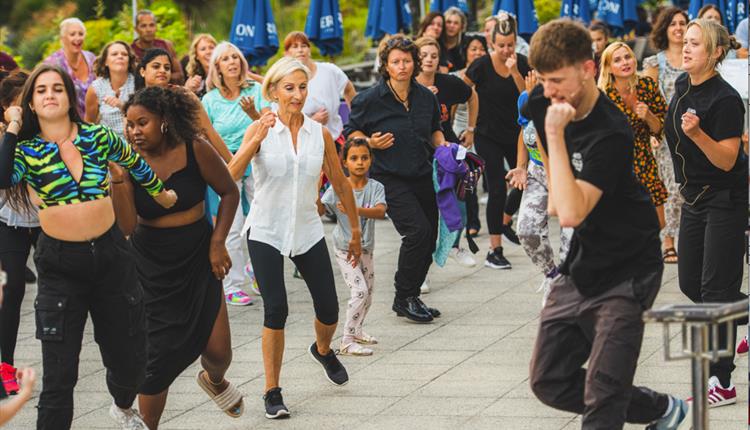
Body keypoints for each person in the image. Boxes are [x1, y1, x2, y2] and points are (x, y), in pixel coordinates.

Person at [526, 19, 692, 430]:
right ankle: (660, 409)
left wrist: (556, 136)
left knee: (603, 396)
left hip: (629, 269)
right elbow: (561, 197)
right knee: (548, 380)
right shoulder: (539, 103)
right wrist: (555, 148)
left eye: (558, 80)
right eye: (544, 80)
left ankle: (624, 405)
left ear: (586, 68)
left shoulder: (612, 130)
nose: (551, 92)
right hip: (581, 264)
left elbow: (570, 212)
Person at [0, 64, 177, 430]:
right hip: (60, 265)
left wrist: (162, 195)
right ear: (31, 103)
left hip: (112, 257)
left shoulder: (98, 136)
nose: (50, 94)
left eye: (57, 89)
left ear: (69, 98)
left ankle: (122, 403)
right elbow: (1, 178)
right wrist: (13, 127)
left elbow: (135, 163)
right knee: (60, 377)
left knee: (131, 360)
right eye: (41, 90)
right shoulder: (27, 151)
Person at [228, 56, 360, 419]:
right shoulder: (261, 128)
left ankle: (322, 349)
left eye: (303, 87)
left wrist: (355, 230)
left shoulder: (320, 134)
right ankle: (272, 391)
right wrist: (253, 136)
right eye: (289, 88)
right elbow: (230, 175)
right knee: (276, 308)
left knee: (330, 309)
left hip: (306, 228)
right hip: (266, 229)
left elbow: (340, 180)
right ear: (273, 90)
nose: (298, 95)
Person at [110, 86, 243, 428]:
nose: (134, 131)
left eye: (143, 123)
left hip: (199, 256)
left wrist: (218, 243)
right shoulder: (128, 160)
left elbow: (229, 191)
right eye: (129, 125)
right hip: (150, 265)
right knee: (157, 357)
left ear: (164, 121)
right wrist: (120, 181)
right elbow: (126, 225)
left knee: (219, 354)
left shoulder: (194, 148)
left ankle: (213, 381)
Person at [664, 18, 747, 407]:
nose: (686, 46)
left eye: (695, 43)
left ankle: (722, 382)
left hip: (726, 198)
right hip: (693, 199)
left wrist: (699, 135)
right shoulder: (682, 86)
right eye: (686, 41)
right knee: (689, 284)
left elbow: (729, 160)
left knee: (715, 294)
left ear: (715, 53)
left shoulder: (726, 100)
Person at [345, 35, 446, 323]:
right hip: (388, 177)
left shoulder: (427, 97)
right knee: (417, 233)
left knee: (430, 237)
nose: (402, 66)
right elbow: (351, 133)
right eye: (395, 62)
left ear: (414, 63)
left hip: (423, 174)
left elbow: (435, 130)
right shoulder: (369, 100)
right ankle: (403, 297)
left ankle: (412, 295)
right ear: (386, 66)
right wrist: (369, 142)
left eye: (406, 61)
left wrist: (445, 147)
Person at [202, 41, 271, 306]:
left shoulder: (255, 90)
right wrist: (232, 160)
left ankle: (259, 273)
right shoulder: (209, 100)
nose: (232, 61)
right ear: (217, 67)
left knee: (261, 220)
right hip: (225, 164)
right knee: (231, 223)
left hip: (257, 159)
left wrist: (252, 112)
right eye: (225, 59)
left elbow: (267, 122)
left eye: (235, 57)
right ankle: (232, 284)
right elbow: (205, 134)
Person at [463, 12, 530, 270]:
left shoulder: (522, 63)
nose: (505, 50)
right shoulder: (480, 65)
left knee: (527, 181)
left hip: (516, 135)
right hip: (487, 134)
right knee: (497, 188)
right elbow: (463, 89)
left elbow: (529, 95)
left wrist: (514, 72)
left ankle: (505, 219)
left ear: (516, 43)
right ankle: (495, 248)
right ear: (492, 43)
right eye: (501, 45)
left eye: (510, 45)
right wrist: (466, 126)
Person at [506, 73, 571, 306]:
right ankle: (552, 276)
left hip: (569, 175)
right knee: (526, 230)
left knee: (571, 244)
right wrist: (521, 166)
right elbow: (525, 133)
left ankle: (567, 292)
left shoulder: (568, 99)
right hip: (538, 172)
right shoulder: (525, 97)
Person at [318, 137, 387, 356]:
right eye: (354, 158)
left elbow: (380, 211)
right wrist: (316, 184)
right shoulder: (338, 187)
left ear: (371, 160)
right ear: (345, 162)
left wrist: (353, 209)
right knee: (359, 291)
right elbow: (320, 208)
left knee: (369, 292)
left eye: (364, 158)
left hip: (366, 247)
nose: (359, 162)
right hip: (344, 248)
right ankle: (346, 341)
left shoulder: (375, 187)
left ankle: (357, 330)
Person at [416, 36, 478, 268]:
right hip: (420, 152)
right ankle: (423, 268)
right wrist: (422, 99)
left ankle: (454, 245)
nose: (429, 60)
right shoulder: (409, 85)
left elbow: (472, 95)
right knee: (426, 212)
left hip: (446, 148)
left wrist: (471, 129)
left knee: (459, 199)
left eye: (434, 55)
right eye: (424, 55)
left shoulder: (448, 82)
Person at [598, 42, 669, 226]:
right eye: (618, 60)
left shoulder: (646, 86)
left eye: (628, 57)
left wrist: (649, 116)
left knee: (657, 223)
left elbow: (662, 127)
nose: (625, 62)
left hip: (644, 160)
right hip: (616, 165)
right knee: (623, 225)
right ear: (609, 68)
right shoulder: (602, 96)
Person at [0, 71, 40, 396]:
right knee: (12, 289)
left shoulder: (45, 131)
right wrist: (11, 128)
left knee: (62, 287)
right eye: (19, 107)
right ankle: (5, 366)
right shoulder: (5, 136)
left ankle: (58, 358)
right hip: (10, 223)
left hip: (47, 223)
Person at [642, 7, 688, 264]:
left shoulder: (696, 58)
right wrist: (651, 131)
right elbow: (647, 100)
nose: (679, 28)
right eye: (673, 24)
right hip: (665, 134)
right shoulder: (654, 63)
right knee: (670, 187)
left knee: (686, 187)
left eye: (683, 23)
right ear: (665, 29)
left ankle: (684, 239)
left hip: (693, 132)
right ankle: (668, 241)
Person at [138, 48, 233, 163]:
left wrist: (232, 163)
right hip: (151, 167)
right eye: (156, 66)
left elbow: (208, 131)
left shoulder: (183, 95)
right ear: (143, 71)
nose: (162, 70)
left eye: (167, 68)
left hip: (186, 162)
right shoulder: (136, 103)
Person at [283, 32, 357, 142]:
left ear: (309, 50)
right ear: (287, 54)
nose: (300, 50)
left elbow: (349, 90)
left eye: (304, 45)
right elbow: (283, 122)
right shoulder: (284, 81)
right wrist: (312, 122)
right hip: (303, 144)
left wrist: (356, 120)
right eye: (295, 46)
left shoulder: (330, 70)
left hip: (334, 140)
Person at [451, 33, 487, 239]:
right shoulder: (458, 77)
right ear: (465, 52)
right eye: (473, 49)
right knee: (466, 175)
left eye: (481, 49)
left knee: (475, 176)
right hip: (461, 131)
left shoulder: (489, 74)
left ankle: (473, 220)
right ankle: (470, 221)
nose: (478, 53)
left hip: (482, 131)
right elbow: (453, 108)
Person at [43, 18, 96, 118]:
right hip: (67, 122)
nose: (78, 38)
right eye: (72, 34)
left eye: (81, 34)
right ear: (63, 38)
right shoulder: (53, 63)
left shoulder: (91, 58)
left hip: (95, 122)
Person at [85, 41, 137, 139]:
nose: (120, 56)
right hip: (107, 146)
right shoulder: (95, 88)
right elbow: (88, 124)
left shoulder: (138, 83)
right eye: (114, 54)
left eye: (124, 54)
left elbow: (145, 116)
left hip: (135, 145)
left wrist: (122, 106)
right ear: (105, 62)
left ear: (129, 61)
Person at [131, 10, 185, 84]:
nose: (148, 30)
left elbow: (179, 75)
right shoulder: (131, 50)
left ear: (156, 27)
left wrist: (158, 77)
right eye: (143, 26)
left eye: (151, 25)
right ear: (136, 29)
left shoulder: (166, 45)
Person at [184, 34, 217, 98]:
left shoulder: (225, 76)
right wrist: (188, 90)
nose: (208, 52)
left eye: (211, 48)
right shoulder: (194, 80)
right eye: (203, 49)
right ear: (196, 56)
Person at [443, 7, 467, 71]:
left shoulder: (466, 45)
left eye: (456, 23)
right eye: (448, 22)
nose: (452, 26)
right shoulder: (438, 44)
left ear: (461, 26)